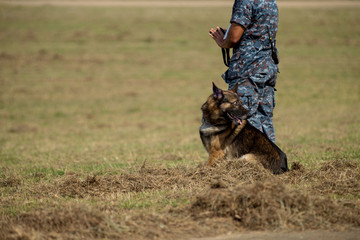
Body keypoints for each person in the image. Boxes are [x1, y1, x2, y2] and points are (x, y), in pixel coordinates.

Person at [209, 0, 279, 143]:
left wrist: (224, 41)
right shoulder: (270, 1)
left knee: (242, 120)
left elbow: (234, 37)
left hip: (248, 69)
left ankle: (247, 165)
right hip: (266, 67)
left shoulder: (245, 1)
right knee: (264, 120)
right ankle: (271, 163)